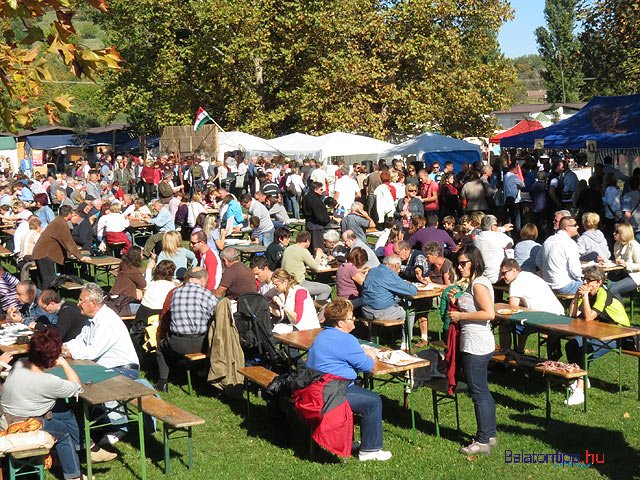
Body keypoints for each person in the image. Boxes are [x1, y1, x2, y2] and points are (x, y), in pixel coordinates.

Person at [1, 329, 116, 478]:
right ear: (53, 357)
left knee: (65, 410)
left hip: (8, 414)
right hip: (23, 423)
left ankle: (85, 449)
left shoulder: (20, 363)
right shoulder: (48, 382)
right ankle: (74, 475)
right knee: (63, 432)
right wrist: (64, 364)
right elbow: (77, 388)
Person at [305, 298, 391, 461]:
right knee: (373, 401)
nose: (354, 320)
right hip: (331, 393)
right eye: (351, 318)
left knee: (363, 393)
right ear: (340, 323)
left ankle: (350, 442)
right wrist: (370, 355)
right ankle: (370, 450)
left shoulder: (323, 335)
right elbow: (368, 366)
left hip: (313, 388)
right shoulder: (347, 340)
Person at [64, 283, 139, 446]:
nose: (78, 303)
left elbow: (92, 352)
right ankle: (92, 421)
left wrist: (67, 353)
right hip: (103, 368)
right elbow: (80, 341)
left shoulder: (106, 321)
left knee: (98, 383)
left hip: (124, 369)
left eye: (81, 300)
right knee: (74, 379)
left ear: (93, 303)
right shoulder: (92, 320)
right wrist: (64, 347)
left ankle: (119, 426)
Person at [447, 245, 497, 455]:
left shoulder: (478, 285)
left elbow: (489, 314)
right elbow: (473, 307)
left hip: (476, 345)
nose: (459, 267)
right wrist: (455, 302)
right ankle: (490, 435)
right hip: (475, 343)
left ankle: (483, 440)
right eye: (458, 263)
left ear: (475, 262)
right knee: (482, 390)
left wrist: (460, 316)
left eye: (463, 263)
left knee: (478, 393)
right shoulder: (474, 283)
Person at [565, 266, 631, 405]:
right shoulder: (588, 293)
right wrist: (577, 297)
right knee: (572, 345)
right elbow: (573, 315)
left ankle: (579, 392)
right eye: (584, 279)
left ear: (599, 282)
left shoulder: (603, 294)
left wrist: (584, 296)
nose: (585, 283)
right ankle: (582, 379)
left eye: (589, 280)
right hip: (601, 329)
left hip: (620, 332)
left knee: (583, 350)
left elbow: (588, 317)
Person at [155, 268, 217, 393]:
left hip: (176, 342)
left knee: (160, 349)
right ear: (203, 280)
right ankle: (204, 373)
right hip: (201, 343)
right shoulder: (207, 294)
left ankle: (163, 382)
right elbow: (216, 314)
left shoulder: (175, 293)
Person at [497, 258, 564, 356]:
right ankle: (519, 352)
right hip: (559, 314)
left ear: (514, 271)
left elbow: (512, 308)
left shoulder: (516, 283)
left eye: (504, 273)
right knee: (522, 321)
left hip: (546, 318)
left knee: (504, 324)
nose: (502, 276)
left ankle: (505, 355)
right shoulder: (529, 275)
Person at [361, 255, 418, 349]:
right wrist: (410, 284)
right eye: (399, 268)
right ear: (395, 266)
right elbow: (412, 291)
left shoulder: (373, 271)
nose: (399, 271)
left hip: (366, 311)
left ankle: (373, 340)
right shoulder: (389, 275)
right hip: (380, 312)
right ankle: (406, 344)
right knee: (410, 312)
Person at [32, 205, 90, 289]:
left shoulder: (57, 221)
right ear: (69, 214)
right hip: (44, 255)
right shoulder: (61, 224)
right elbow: (68, 242)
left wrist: (71, 254)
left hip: (40, 253)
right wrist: (80, 257)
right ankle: (45, 300)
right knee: (48, 280)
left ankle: (41, 299)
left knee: (42, 279)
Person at [536, 216, 583, 294]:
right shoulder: (569, 243)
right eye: (575, 225)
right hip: (565, 285)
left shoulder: (548, 240)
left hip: (548, 285)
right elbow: (575, 270)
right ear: (567, 228)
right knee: (598, 285)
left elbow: (538, 261)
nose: (577, 227)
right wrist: (583, 279)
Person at [281, 230, 332, 301]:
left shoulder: (288, 249)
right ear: (307, 241)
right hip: (298, 283)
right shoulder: (304, 251)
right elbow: (315, 266)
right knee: (327, 289)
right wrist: (319, 253)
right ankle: (316, 308)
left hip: (286, 281)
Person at [270, 269, 320, 333]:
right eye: (273, 284)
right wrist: (270, 309)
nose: (275, 287)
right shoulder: (282, 294)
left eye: (277, 285)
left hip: (307, 329)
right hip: (295, 326)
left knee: (273, 337)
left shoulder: (299, 292)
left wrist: (282, 305)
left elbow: (297, 318)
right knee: (271, 335)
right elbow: (283, 315)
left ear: (285, 282)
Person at [472, 215, 514, 284]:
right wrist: (501, 230)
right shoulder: (497, 236)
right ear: (493, 227)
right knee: (511, 252)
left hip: (481, 276)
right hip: (496, 278)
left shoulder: (476, 238)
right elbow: (510, 243)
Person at [109, 246, 146, 315]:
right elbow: (144, 284)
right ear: (137, 257)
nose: (142, 257)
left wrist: (138, 289)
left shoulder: (124, 266)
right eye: (141, 255)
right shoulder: (133, 270)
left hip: (115, 301)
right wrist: (149, 268)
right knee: (147, 309)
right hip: (123, 305)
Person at [608, 222, 640, 297]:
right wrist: (607, 261)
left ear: (624, 233)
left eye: (616, 232)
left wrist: (626, 265)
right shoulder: (617, 244)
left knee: (613, 290)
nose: (613, 233)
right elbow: (617, 261)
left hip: (635, 276)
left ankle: (619, 309)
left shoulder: (634, 246)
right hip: (621, 273)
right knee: (605, 287)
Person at [302, 181, 332, 252]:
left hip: (309, 224)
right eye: (321, 189)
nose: (322, 191)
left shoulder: (306, 198)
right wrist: (327, 219)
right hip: (316, 226)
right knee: (318, 249)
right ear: (315, 190)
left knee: (310, 247)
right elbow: (319, 215)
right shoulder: (315, 200)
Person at [336, 247, 368, 311]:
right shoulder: (351, 268)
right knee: (370, 299)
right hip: (350, 301)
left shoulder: (343, 266)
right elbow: (364, 283)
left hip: (341, 300)